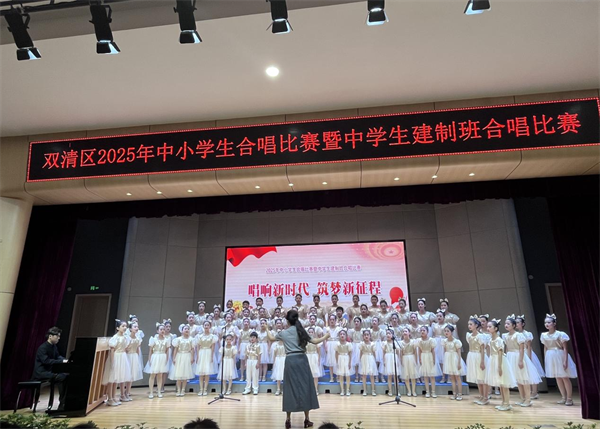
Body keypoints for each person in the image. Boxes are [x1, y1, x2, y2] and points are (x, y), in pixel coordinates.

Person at [265, 310, 329, 429]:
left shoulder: (284, 333)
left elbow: (271, 338)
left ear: (287, 321)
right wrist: (326, 336)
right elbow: (315, 341)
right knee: (305, 387)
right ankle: (307, 419)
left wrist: (266, 329)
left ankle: (288, 419)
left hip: (290, 360)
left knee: (289, 388)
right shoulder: (301, 331)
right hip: (302, 360)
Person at [503, 315, 541, 407]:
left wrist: (520, 360)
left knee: (524, 378)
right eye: (505, 323)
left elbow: (521, 349)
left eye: (508, 324)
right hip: (510, 356)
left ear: (513, 325)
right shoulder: (505, 336)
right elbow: (507, 348)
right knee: (518, 379)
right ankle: (522, 398)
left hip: (518, 356)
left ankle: (528, 399)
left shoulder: (518, 335)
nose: (506, 325)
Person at [540, 314, 577, 406]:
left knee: (564, 377)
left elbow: (565, 348)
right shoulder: (544, 335)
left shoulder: (560, 334)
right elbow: (545, 347)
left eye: (549, 322)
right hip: (550, 356)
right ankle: (563, 397)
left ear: (554, 323)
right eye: (545, 322)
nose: (547, 324)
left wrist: (565, 360)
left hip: (559, 355)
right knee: (558, 377)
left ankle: (569, 398)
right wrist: (546, 359)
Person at [32, 327, 68, 411]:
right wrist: (61, 361)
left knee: (66, 376)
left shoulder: (54, 347)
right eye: (57, 336)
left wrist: (65, 360)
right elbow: (46, 361)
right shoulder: (43, 348)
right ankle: (62, 404)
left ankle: (64, 402)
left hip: (49, 371)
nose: (59, 338)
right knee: (62, 377)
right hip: (41, 372)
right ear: (50, 336)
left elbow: (57, 356)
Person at [485, 318, 516, 411]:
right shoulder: (491, 339)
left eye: (490, 327)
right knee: (500, 384)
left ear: (495, 328)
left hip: (500, 361)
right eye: (487, 327)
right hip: (493, 360)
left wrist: (499, 366)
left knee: (504, 383)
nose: (488, 328)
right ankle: (503, 402)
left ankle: (507, 403)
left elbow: (500, 353)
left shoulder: (499, 340)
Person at [101, 320, 132, 406]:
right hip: (116, 357)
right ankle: (110, 398)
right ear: (118, 328)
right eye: (123, 326)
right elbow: (112, 350)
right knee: (112, 378)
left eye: (125, 326)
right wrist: (112, 362)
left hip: (122, 357)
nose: (125, 328)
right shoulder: (115, 338)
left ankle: (114, 397)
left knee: (116, 379)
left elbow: (126, 347)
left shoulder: (125, 337)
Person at [144, 323, 171, 399]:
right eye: (161, 329)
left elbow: (167, 351)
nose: (162, 331)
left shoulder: (167, 340)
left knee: (160, 375)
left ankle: (159, 391)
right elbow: (150, 351)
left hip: (162, 357)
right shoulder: (153, 339)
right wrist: (149, 359)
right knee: (152, 375)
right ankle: (151, 392)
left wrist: (166, 359)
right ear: (157, 331)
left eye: (163, 329)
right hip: (155, 357)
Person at [170, 324, 196, 396]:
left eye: (188, 329)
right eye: (185, 329)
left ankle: (183, 389)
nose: (187, 330)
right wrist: (174, 358)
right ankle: (178, 389)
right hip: (179, 356)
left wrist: (192, 357)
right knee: (178, 374)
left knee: (185, 374)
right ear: (182, 331)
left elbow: (192, 349)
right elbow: (175, 349)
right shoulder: (178, 339)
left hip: (187, 356)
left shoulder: (191, 339)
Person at [334, 330, 352, 396]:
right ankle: (342, 390)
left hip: (346, 358)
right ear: (339, 336)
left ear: (346, 335)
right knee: (341, 375)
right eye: (341, 334)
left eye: (343, 334)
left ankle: (348, 390)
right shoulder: (337, 344)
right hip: (340, 358)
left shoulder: (348, 344)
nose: (342, 335)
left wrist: (350, 363)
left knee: (347, 375)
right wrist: (337, 362)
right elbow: (336, 353)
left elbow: (350, 354)